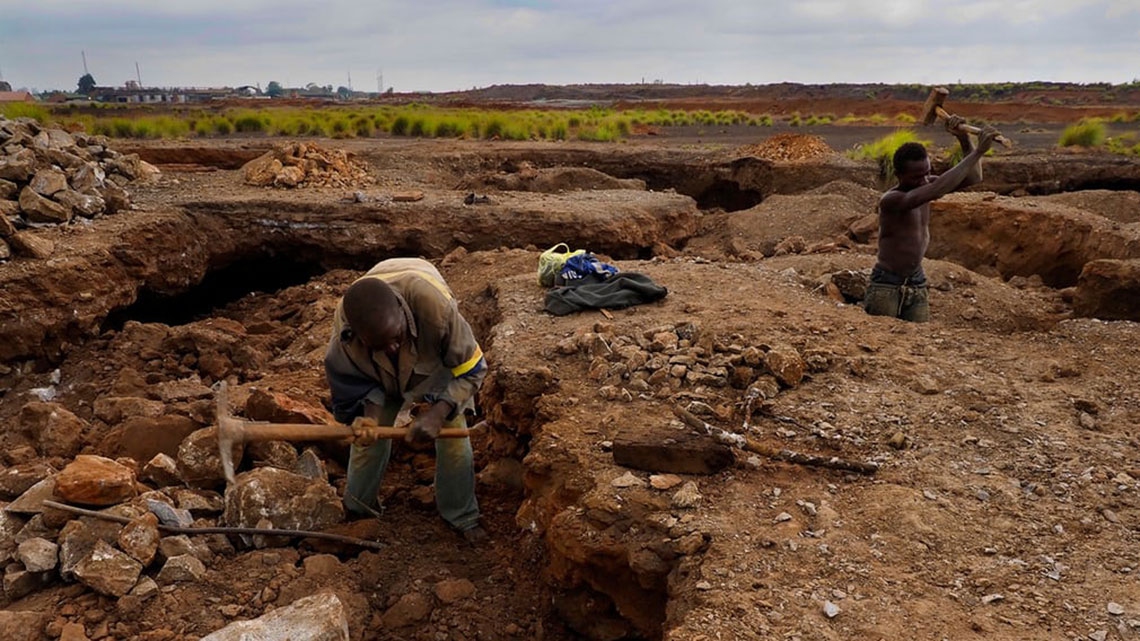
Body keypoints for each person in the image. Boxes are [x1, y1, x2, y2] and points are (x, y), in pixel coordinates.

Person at [324, 257, 488, 543]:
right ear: (360, 337)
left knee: (453, 437)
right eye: (380, 345)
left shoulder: (436, 308)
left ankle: (462, 515)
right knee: (367, 441)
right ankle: (358, 511)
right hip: (377, 373)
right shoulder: (346, 336)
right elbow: (357, 384)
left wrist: (438, 412)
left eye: (396, 338)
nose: (392, 348)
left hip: (431, 357)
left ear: (402, 310)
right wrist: (370, 419)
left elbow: (472, 369)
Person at [864, 117, 1000, 322]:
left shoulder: (928, 185)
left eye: (927, 173)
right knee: (885, 344)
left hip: (916, 282)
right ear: (899, 175)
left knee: (918, 345)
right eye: (916, 177)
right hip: (887, 285)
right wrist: (978, 151)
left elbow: (974, 178)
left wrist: (964, 139)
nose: (924, 180)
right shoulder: (892, 200)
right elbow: (936, 190)